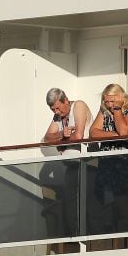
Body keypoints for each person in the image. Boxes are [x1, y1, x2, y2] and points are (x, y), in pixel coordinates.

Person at [88, 83, 128, 248]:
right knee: (124, 213)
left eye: (112, 101)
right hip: (114, 168)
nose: (109, 104)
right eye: (106, 101)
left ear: (120, 97)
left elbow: (125, 131)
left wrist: (117, 111)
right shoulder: (104, 111)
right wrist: (115, 136)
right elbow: (93, 132)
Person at [40, 89, 92, 241]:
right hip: (71, 166)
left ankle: (92, 245)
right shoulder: (58, 116)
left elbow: (78, 137)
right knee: (72, 208)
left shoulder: (78, 106)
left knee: (88, 205)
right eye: (52, 109)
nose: (56, 111)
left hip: (87, 163)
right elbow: (46, 139)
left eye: (58, 107)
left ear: (66, 101)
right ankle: (76, 241)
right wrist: (62, 135)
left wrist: (60, 143)